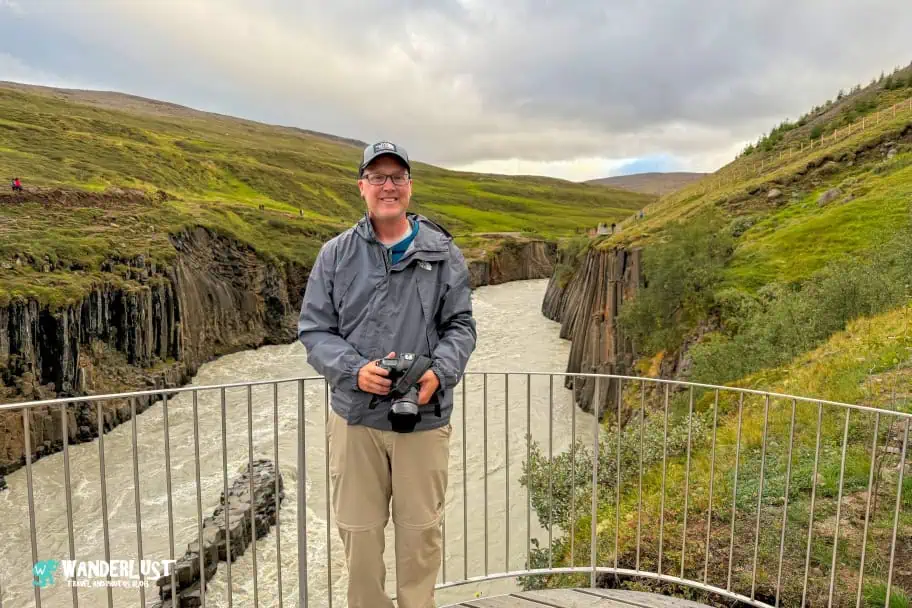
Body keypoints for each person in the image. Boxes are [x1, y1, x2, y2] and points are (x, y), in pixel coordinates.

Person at [297, 140, 477, 608]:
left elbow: (461, 325)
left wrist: (440, 371)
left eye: (397, 177)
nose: (388, 186)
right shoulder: (335, 255)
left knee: (420, 538)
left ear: (410, 187)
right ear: (362, 187)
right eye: (377, 177)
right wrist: (355, 372)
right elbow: (315, 329)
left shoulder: (443, 253)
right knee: (359, 541)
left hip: (423, 416)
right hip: (355, 419)